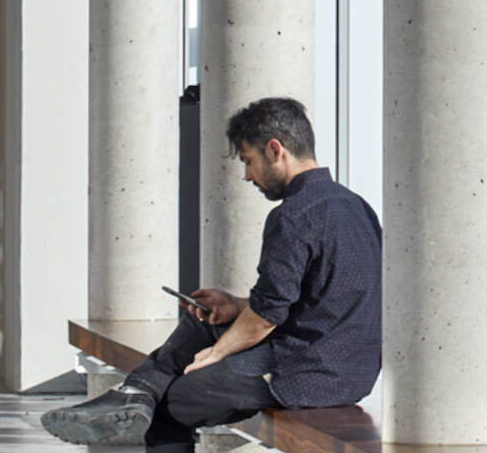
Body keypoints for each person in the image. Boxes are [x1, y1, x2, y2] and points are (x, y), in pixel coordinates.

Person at [40, 97, 382, 451]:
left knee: (174, 400)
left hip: (307, 375)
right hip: (350, 369)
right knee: (203, 322)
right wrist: (234, 305)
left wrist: (217, 353)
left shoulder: (293, 216)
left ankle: (138, 394)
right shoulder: (358, 208)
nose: (247, 175)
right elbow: (316, 296)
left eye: (248, 161)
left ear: (275, 150)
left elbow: (266, 317)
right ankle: (135, 392)